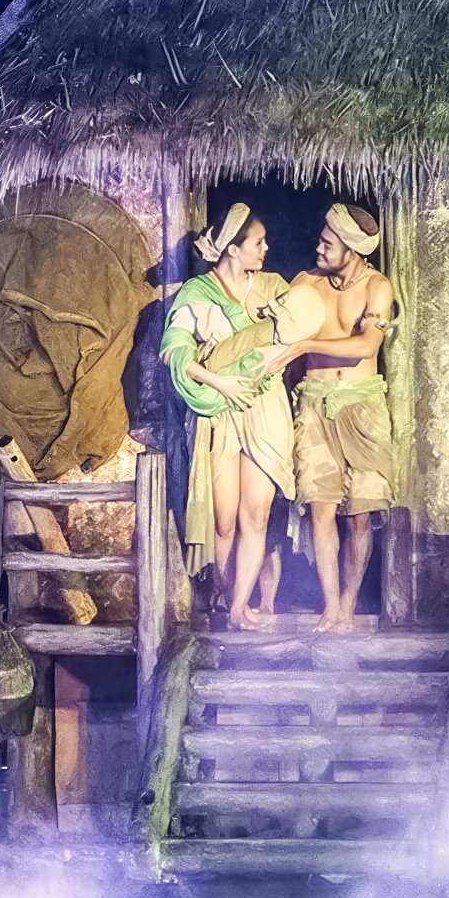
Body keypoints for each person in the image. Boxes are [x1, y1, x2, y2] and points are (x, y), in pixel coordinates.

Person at [160, 203, 299, 630]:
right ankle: (225, 596)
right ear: (233, 249)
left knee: (255, 515)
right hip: (220, 410)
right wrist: (220, 383)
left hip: (261, 405)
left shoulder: (273, 286)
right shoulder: (197, 293)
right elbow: (175, 353)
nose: (265, 249)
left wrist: (282, 357)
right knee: (224, 519)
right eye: (257, 242)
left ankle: (241, 607)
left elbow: (304, 330)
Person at [263, 203, 396, 631]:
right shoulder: (306, 284)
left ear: (352, 251)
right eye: (321, 239)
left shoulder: (378, 287)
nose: (318, 247)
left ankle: (350, 606)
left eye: (328, 243)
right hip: (315, 403)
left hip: (362, 405)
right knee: (321, 508)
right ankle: (330, 607)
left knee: (358, 515)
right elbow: (272, 333)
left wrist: (305, 347)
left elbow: (366, 347)